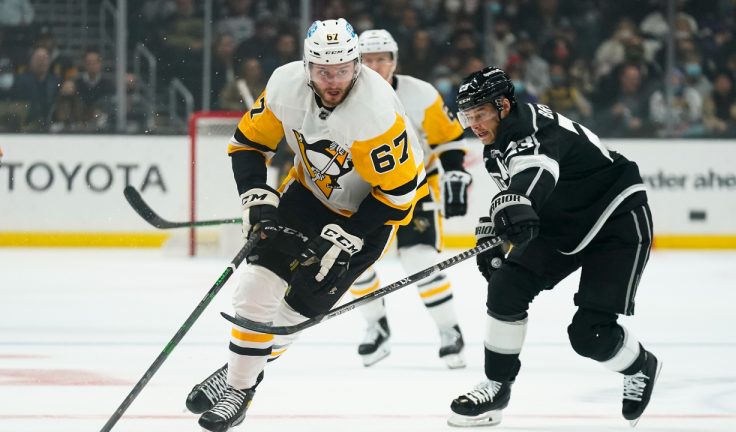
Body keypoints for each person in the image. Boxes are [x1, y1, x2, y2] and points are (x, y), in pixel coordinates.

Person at [186, 19, 428, 432]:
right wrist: (255, 194)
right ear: (307, 65)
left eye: (342, 70)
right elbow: (249, 143)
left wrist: (351, 232)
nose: (333, 81)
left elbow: (401, 192)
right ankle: (240, 389)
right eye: (322, 71)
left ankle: (236, 372)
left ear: (356, 64)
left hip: (366, 218)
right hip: (306, 198)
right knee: (254, 288)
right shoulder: (284, 85)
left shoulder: (376, 112)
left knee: (292, 316)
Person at [447, 67, 660, 427]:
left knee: (590, 335)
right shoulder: (494, 147)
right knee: (506, 286)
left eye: (480, 114)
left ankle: (640, 367)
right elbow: (515, 190)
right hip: (562, 224)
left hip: (616, 218)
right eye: (468, 116)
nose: (474, 125)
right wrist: (490, 233)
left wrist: (516, 206)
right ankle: (497, 387)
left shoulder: (531, 127)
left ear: (502, 105)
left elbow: (537, 171)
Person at [350, 29, 471, 368]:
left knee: (419, 261)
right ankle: (376, 326)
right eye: (368, 59)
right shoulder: (341, 95)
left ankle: (450, 331)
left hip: (415, 188)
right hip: (363, 191)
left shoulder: (420, 94)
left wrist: (455, 172)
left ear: (394, 61)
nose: (376, 66)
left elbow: (448, 139)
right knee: (351, 261)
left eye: (382, 59)